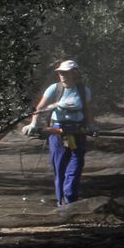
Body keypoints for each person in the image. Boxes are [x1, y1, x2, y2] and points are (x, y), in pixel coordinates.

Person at [25, 59, 95, 207]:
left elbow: (88, 110)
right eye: (60, 73)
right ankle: (62, 203)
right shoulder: (54, 89)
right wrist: (33, 123)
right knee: (60, 168)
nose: (62, 75)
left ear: (74, 73)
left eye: (66, 73)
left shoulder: (83, 90)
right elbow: (40, 107)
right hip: (58, 131)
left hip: (78, 132)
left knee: (76, 166)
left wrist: (92, 125)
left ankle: (70, 199)